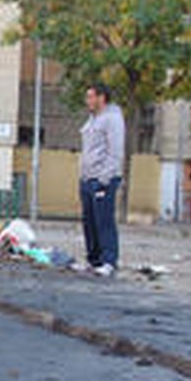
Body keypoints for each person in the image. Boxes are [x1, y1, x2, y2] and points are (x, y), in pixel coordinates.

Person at [77, 83, 126, 276]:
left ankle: (109, 261)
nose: (87, 101)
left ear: (101, 97)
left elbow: (115, 150)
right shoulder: (92, 120)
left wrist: (104, 178)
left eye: (90, 97)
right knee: (89, 221)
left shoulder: (112, 118)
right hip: (87, 178)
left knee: (104, 220)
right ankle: (93, 259)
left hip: (102, 179)